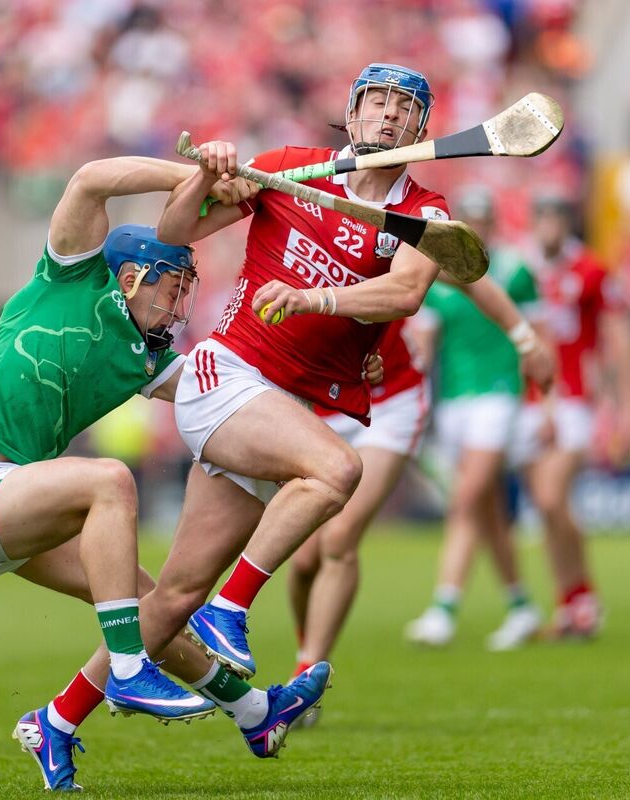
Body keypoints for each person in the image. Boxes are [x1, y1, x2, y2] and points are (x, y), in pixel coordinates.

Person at [0, 154, 333, 792]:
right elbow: (90, 179)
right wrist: (193, 179)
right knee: (109, 480)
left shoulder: (148, 359)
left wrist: (339, 369)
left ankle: (250, 712)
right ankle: (129, 669)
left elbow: (230, 398)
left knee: (150, 607)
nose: (180, 307)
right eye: (174, 289)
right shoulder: (71, 275)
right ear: (134, 275)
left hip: (17, 495)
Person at [148, 64, 552, 688]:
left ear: (422, 128)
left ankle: (68, 712)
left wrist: (317, 300)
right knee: (336, 475)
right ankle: (231, 615)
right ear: (352, 111)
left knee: (179, 591)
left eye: (404, 106)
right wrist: (207, 175)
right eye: (378, 101)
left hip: (311, 401)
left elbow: (406, 292)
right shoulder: (289, 166)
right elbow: (173, 232)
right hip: (232, 373)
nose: (389, 114)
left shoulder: (424, 212)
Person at [288, 187, 554, 698]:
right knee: (303, 561)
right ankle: (309, 647)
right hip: (323, 405)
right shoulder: (298, 247)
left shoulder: (393, 244)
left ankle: (306, 676)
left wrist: (526, 342)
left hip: (393, 403)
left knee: (341, 539)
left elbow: (472, 282)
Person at [402, 186, 546, 651]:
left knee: (465, 498)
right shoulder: (437, 275)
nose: (477, 227)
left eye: (483, 219)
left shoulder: (514, 270)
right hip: (454, 400)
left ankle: (444, 607)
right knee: (487, 508)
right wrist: (412, 397)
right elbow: (425, 346)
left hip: (499, 395)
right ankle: (521, 605)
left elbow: (538, 335)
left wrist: (546, 403)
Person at [514, 192, 630, 637]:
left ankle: (583, 595)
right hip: (526, 400)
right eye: (542, 218)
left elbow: (618, 339)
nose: (548, 227)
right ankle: (572, 602)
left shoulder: (590, 270)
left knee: (551, 496)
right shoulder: (519, 268)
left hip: (572, 398)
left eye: (556, 218)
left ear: (567, 224)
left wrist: (628, 405)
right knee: (549, 508)